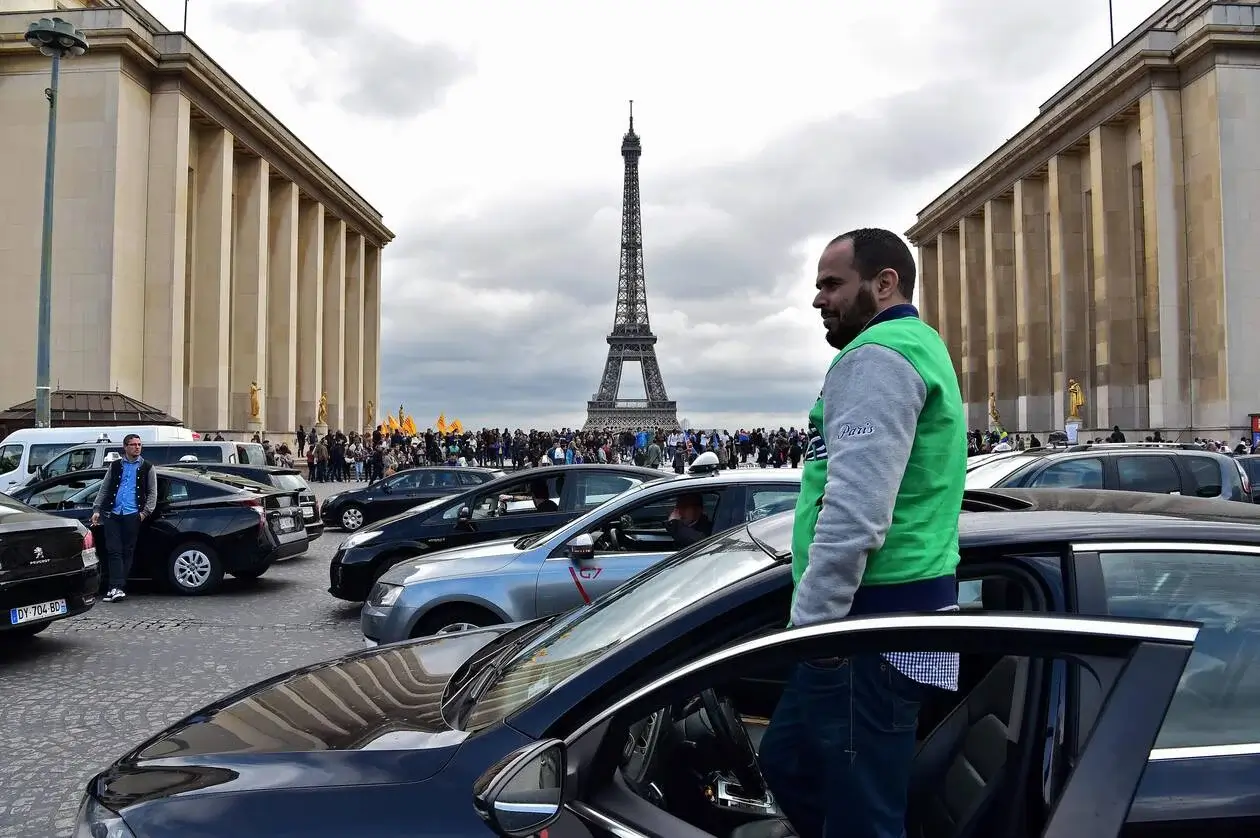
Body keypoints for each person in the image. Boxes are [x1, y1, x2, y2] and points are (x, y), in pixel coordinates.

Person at [757, 228, 967, 838]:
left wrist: (810, 629)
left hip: (861, 627)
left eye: (831, 284)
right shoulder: (919, 346)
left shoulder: (874, 358)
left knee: (862, 818)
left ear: (884, 283)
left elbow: (855, 512)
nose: (818, 299)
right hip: (897, 611)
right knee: (793, 765)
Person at [90, 433, 158, 603]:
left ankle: (118, 587)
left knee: (127, 551)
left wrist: (144, 513)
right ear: (125, 447)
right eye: (133, 444)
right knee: (114, 550)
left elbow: (152, 493)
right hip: (113, 513)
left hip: (132, 514)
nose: (137, 447)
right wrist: (97, 509)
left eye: (139, 444)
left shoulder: (147, 467)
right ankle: (115, 587)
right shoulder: (115, 466)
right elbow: (104, 489)